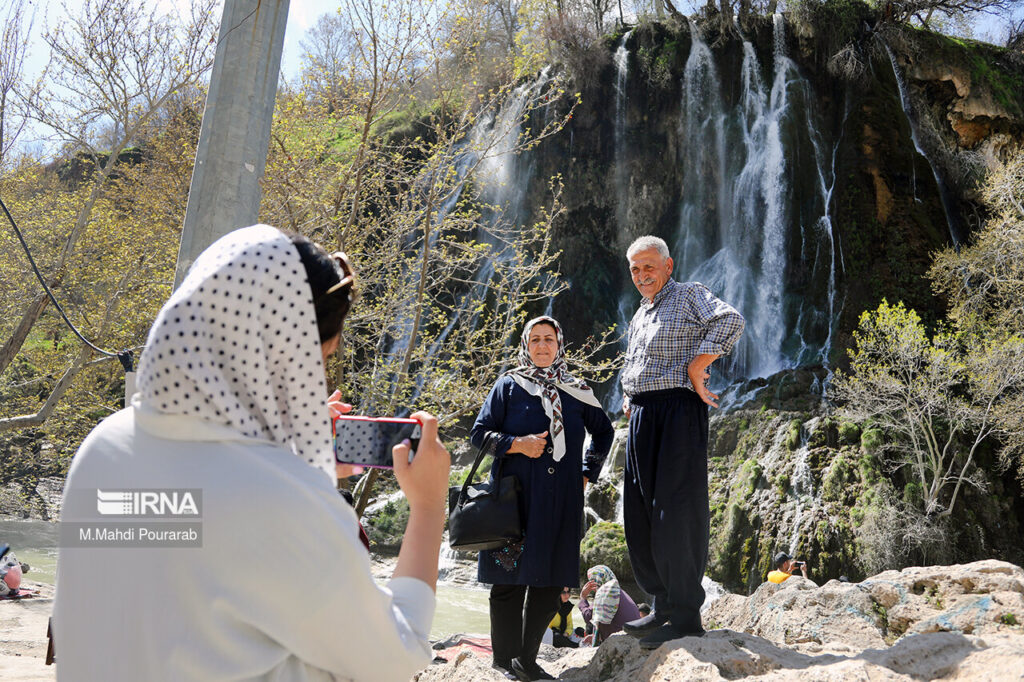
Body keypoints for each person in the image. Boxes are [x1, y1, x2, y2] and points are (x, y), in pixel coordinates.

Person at [53, 225, 451, 681]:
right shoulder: (279, 503)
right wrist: (428, 506)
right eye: (316, 361)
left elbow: (186, 537)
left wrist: (287, 459)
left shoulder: (102, 448)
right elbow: (398, 656)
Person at [619, 235, 745, 650]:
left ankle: (687, 617)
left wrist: (698, 363)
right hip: (642, 415)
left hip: (677, 412)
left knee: (676, 512)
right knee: (639, 514)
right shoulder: (640, 313)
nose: (642, 275)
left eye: (649, 267)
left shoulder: (690, 295)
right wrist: (628, 395)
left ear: (668, 266)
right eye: (635, 269)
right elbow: (637, 362)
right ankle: (663, 604)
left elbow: (731, 320)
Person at [471, 315, 614, 681]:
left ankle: (527, 661)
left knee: (549, 581)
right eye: (534, 339)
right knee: (508, 581)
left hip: (561, 501)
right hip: (513, 502)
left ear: (559, 343)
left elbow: (604, 433)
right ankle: (503, 662)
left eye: (548, 339)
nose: (541, 346)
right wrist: (517, 445)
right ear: (526, 344)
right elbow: (479, 435)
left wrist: (587, 473)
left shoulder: (577, 390)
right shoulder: (508, 387)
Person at [578, 565, 642, 646]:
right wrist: (595, 636)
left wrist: (583, 598)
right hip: (634, 639)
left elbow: (588, 616)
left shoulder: (605, 593)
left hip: (622, 643)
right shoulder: (619, 591)